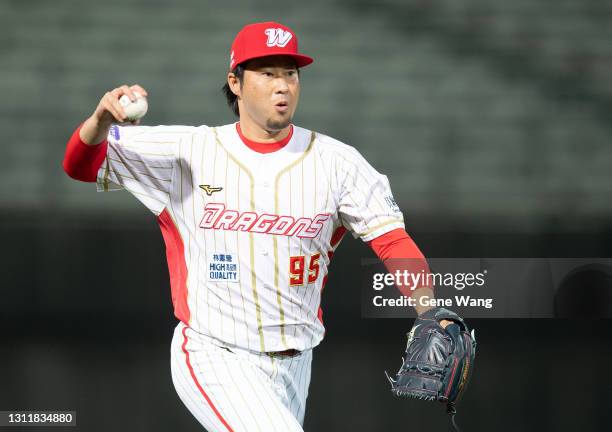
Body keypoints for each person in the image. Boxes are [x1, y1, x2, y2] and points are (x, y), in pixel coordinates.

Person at [63, 21, 453, 432]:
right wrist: (100, 121)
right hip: (214, 353)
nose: (282, 85)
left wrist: (427, 308)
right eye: (268, 73)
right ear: (235, 82)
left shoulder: (337, 162)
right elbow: (80, 166)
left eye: (290, 73)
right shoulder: (189, 150)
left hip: (296, 364)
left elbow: (392, 241)